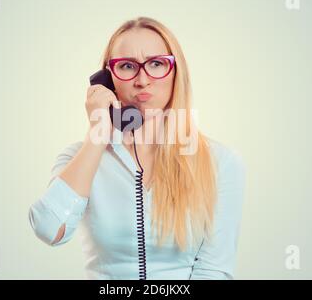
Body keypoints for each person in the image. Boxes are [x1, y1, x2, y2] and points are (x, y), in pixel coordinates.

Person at [28, 16, 246, 280]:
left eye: (156, 64)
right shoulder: (80, 157)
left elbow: (214, 271)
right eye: (128, 66)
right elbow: (49, 229)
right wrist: (98, 134)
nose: (143, 80)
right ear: (107, 80)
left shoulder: (220, 162)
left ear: (177, 72)